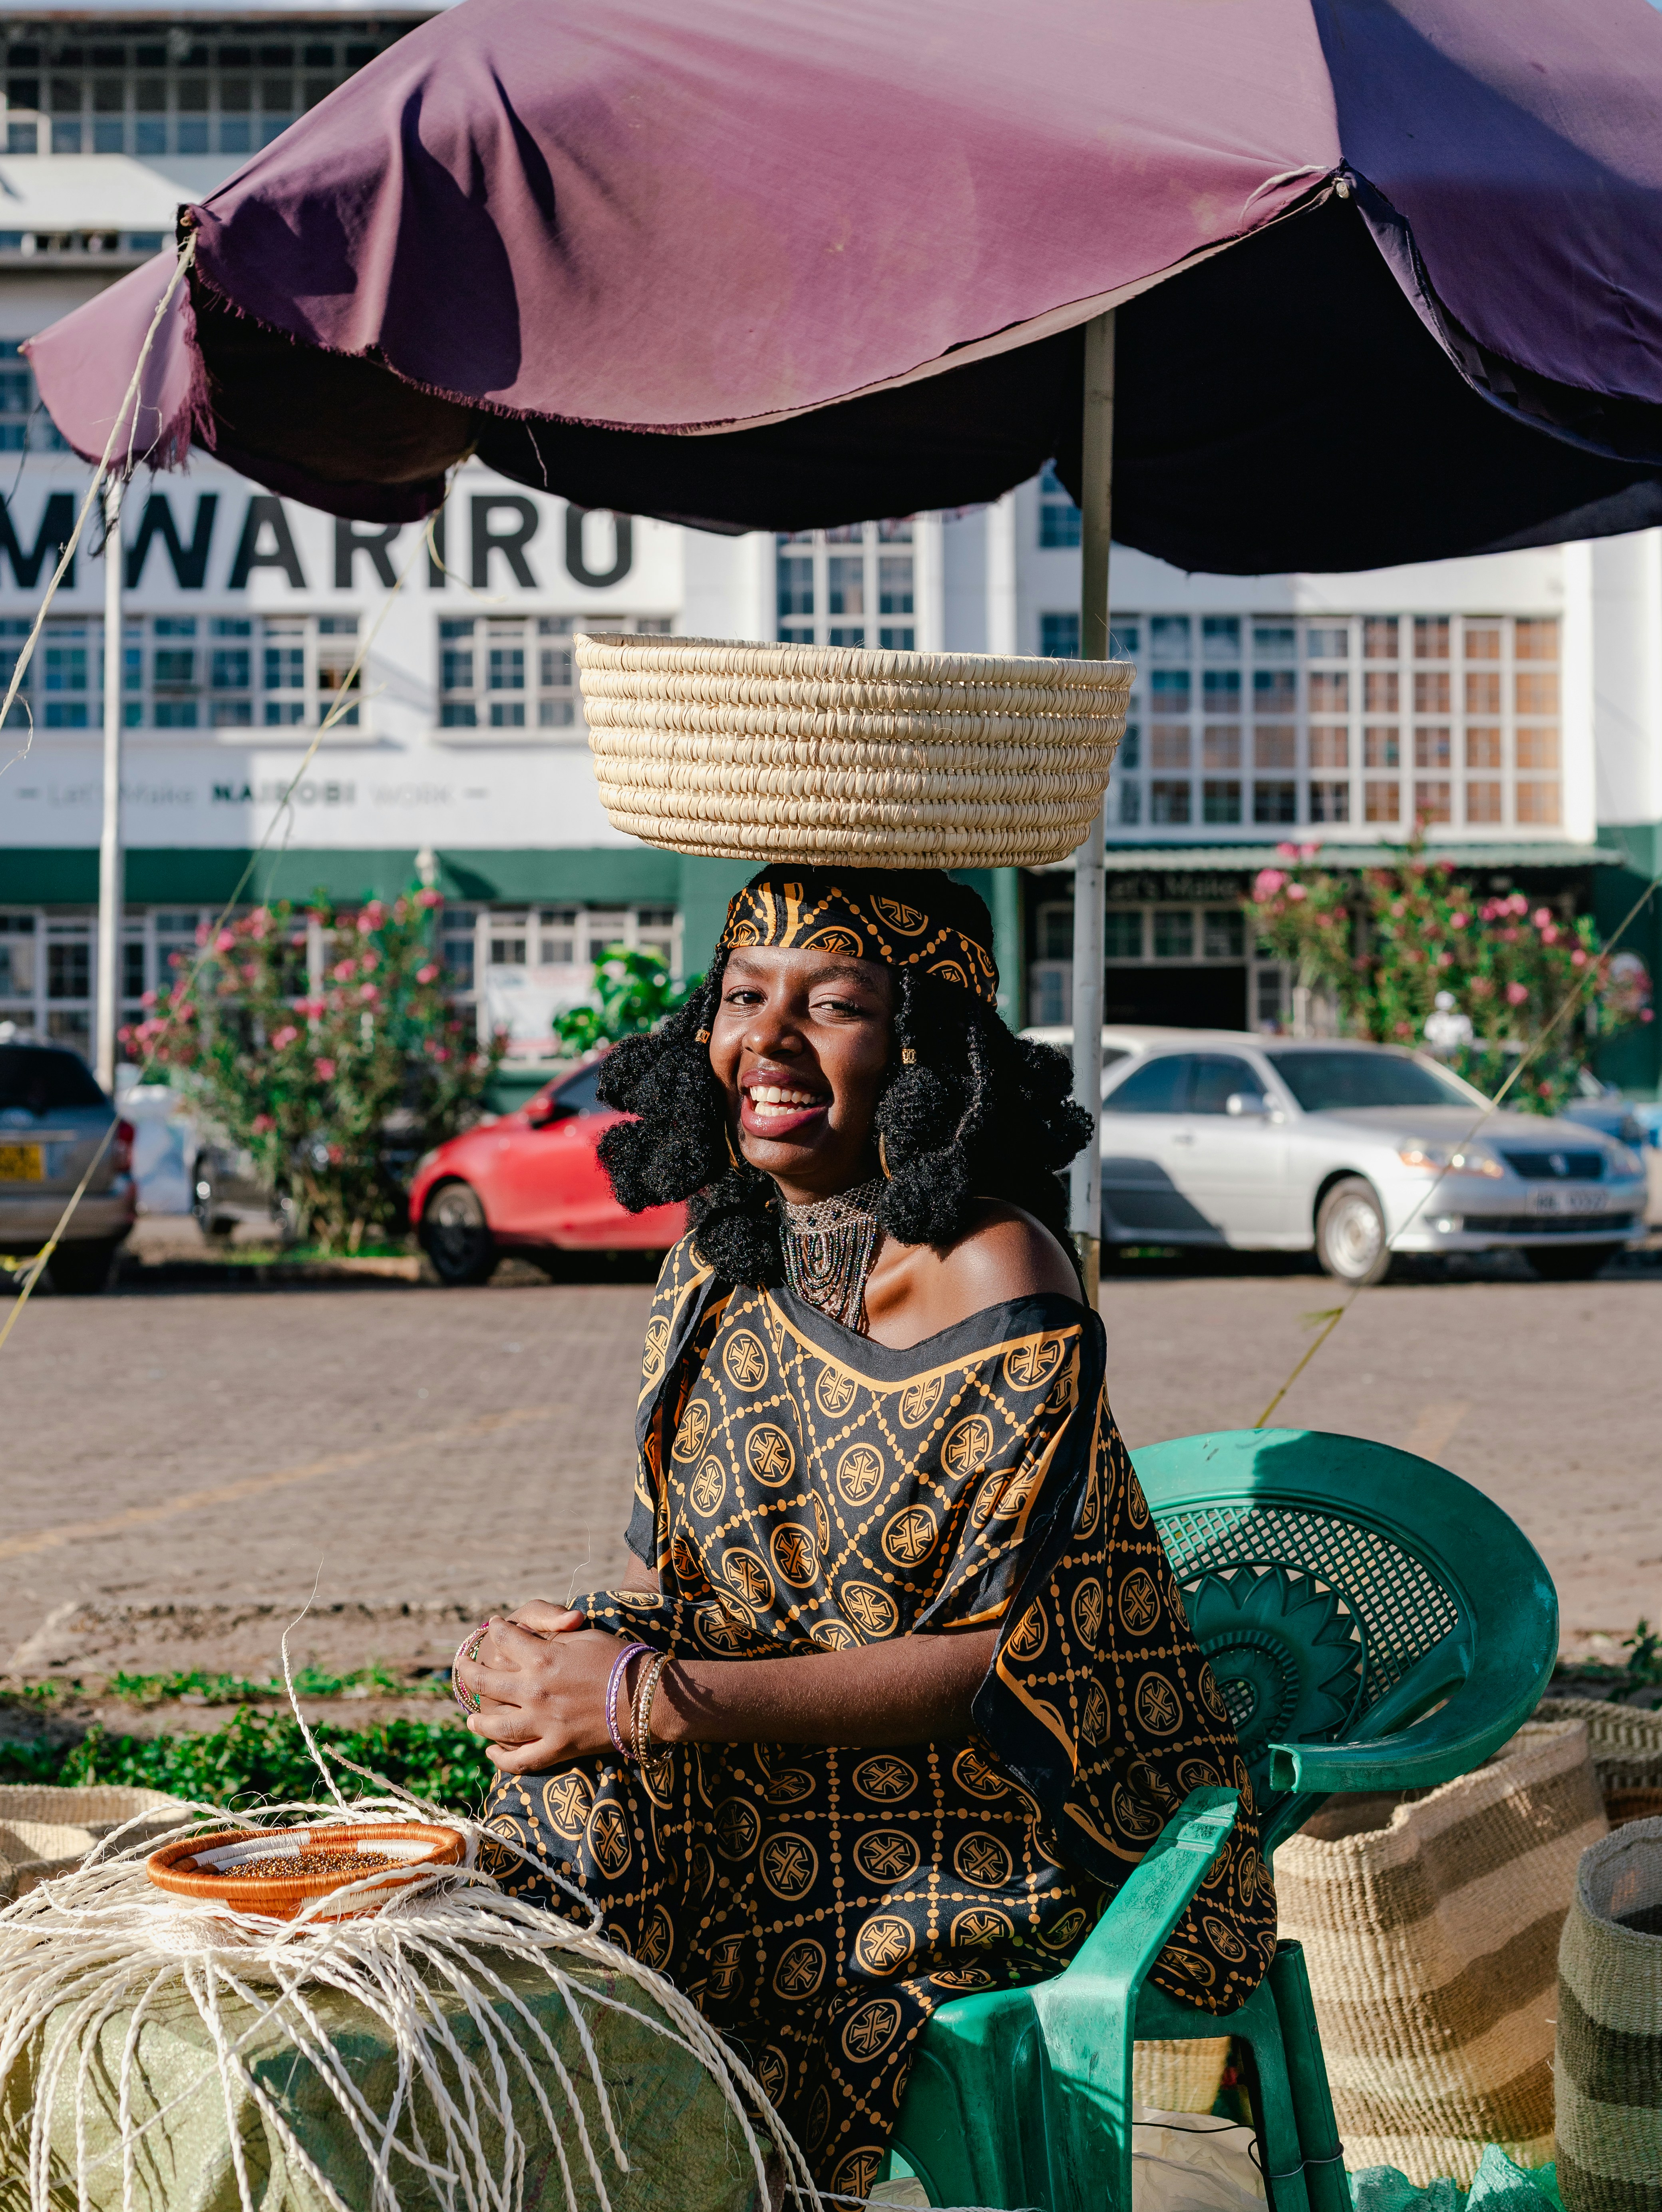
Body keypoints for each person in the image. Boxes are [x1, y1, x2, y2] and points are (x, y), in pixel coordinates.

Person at [455, 865, 1275, 2198]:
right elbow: (663, 1577)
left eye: (830, 1004)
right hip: (771, 1771)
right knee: (553, 1838)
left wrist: (651, 1701)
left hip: (1011, 1818)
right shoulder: (716, 1271)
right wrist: (556, 1664)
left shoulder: (1002, 1276)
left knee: (609, 1850)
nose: (766, 1041)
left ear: (923, 1053)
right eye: (740, 997)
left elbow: (992, 1664)